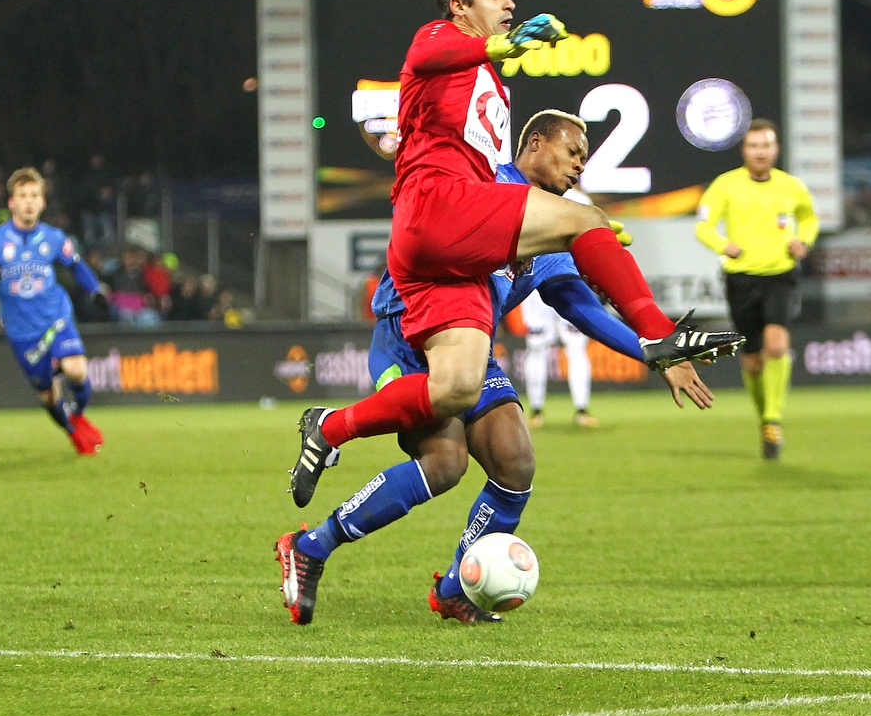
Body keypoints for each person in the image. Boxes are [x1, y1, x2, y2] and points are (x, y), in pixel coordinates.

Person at [286, 0, 743, 508]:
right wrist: (500, 45)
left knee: (457, 391)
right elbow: (430, 52)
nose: (511, 3)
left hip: (452, 268)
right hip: (432, 221)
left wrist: (573, 242)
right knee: (585, 219)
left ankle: (327, 430)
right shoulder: (439, 40)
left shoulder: (493, 89)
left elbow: (580, 304)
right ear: (460, 5)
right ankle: (658, 329)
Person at [275, 110, 718, 626]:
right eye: (572, 151)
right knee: (445, 464)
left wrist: (652, 348)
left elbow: (580, 305)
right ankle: (311, 546)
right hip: (408, 336)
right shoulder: (481, 181)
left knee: (515, 463)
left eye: (585, 158)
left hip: (470, 348)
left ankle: (456, 586)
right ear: (534, 143)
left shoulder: (552, 227)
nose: (580, 166)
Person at [695, 118, 819, 459]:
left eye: (766, 145)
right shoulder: (725, 185)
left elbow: (809, 218)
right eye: (753, 146)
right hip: (742, 278)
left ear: (775, 149)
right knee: (752, 361)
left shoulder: (791, 186)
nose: (760, 152)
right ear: (744, 150)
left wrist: (802, 241)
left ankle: (773, 419)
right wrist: (723, 245)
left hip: (780, 275)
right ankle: (764, 419)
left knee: (776, 346)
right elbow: (703, 226)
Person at [0, 167, 106, 454]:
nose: (29, 201)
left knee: (76, 369)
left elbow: (77, 265)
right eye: (23, 196)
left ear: (42, 202)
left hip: (55, 318)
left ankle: (79, 416)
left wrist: (96, 290)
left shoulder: (53, 237)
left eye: (34, 195)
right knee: (47, 393)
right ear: (11, 202)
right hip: (21, 332)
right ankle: (71, 431)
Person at [521, 288, 598, 427]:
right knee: (537, 350)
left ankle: (582, 409)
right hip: (536, 285)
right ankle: (536, 410)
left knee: (576, 348)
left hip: (565, 284)